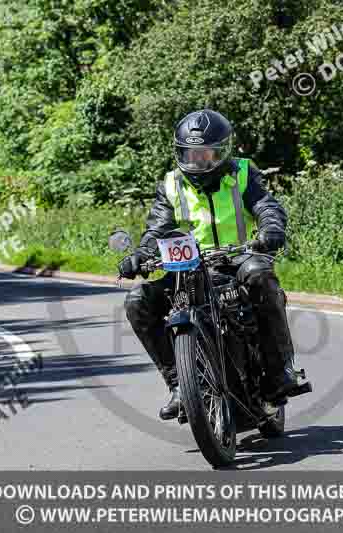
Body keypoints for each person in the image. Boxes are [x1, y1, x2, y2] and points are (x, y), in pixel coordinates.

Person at [119, 109, 300, 420]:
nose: (196, 161)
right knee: (138, 300)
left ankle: (279, 369)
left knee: (260, 276)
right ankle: (179, 384)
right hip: (189, 269)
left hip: (238, 259)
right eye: (189, 154)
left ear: (222, 151)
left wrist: (270, 229)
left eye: (204, 154)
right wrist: (141, 253)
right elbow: (158, 229)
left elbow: (266, 206)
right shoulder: (172, 184)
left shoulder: (242, 173)